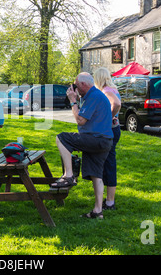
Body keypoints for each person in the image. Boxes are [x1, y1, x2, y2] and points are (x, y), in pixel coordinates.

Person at [51, 72, 113, 219]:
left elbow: (80, 120)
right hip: (104, 140)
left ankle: (69, 175)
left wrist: (72, 101)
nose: (75, 88)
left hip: (96, 139)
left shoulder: (94, 96)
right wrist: (78, 98)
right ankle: (98, 211)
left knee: (62, 138)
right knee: (96, 175)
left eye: (77, 86)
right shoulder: (94, 95)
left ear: (84, 85)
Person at [93, 67, 121, 211]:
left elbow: (116, 104)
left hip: (110, 130)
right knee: (108, 163)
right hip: (114, 130)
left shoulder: (106, 91)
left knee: (109, 164)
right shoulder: (112, 89)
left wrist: (107, 118)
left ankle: (110, 202)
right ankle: (108, 200)